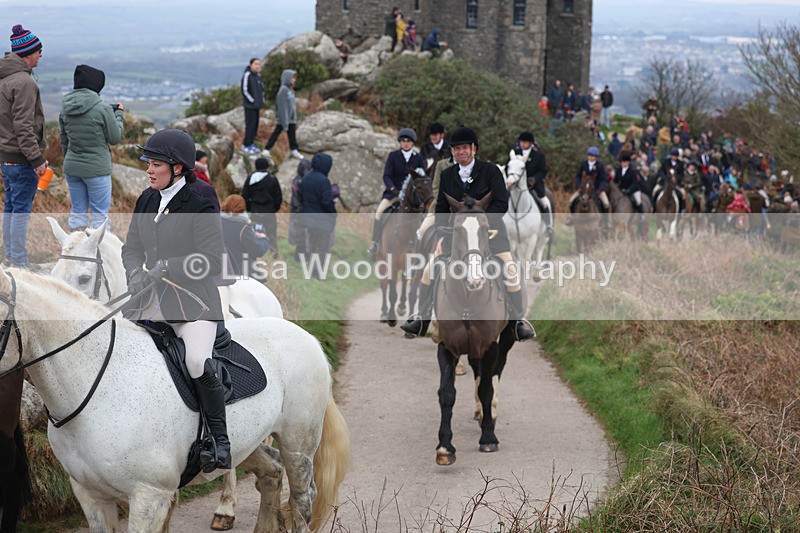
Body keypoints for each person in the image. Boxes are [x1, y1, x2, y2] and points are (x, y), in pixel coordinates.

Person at [121, 128, 229, 472]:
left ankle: (219, 441)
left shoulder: (201, 198)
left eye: (155, 164)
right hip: (150, 300)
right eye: (148, 164)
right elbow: (131, 248)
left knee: (196, 361)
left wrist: (169, 266)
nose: (149, 170)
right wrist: (134, 273)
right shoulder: (147, 198)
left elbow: (212, 259)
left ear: (177, 168)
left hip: (193, 302)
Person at [400, 126, 535, 342]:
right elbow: (441, 209)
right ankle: (422, 318)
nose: (461, 152)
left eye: (465, 148)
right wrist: (442, 236)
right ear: (452, 152)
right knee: (428, 270)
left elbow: (501, 203)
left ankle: (516, 323)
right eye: (457, 149)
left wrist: (483, 223)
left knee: (510, 271)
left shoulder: (491, 171)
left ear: (474, 149)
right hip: (457, 236)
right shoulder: (447, 175)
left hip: (490, 233)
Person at [0, 25, 46, 268]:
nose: (41, 55)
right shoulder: (24, 82)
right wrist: (37, 159)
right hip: (21, 159)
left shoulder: (5, 78)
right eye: (38, 51)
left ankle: (10, 256)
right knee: (20, 211)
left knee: (11, 207)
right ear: (28, 53)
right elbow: (24, 126)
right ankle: (18, 261)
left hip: (6, 156)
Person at [59, 64, 125, 231]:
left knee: (77, 212)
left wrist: (70, 160)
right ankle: (100, 247)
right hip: (97, 169)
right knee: (99, 216)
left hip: (72, 167)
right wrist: (119, 115)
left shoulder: (65, 107)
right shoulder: (103, 108)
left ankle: (75, 245)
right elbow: (115, 138)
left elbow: (64, 140)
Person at [368, 128, 425, 256]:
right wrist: (393, 189)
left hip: (412, 197)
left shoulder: (418, 158)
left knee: (423, 215)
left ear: (413, 143)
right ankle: (374, 242)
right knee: (379, 212)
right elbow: (386, 176)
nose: (405, 143)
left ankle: (421, 245)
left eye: (408, 141)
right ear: (400, 142)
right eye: (403, 141)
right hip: (394, 194)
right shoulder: (393, 156)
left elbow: (422, 177)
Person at [299, 152, 336, 279]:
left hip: (308, 219)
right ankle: (319, 275)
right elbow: (327, 202)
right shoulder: (324, 181)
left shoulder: (306, 178)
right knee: (321, 248)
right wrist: (333, 213)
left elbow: (301, 197)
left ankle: (311, 272)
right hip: (322, 220)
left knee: (312, 246)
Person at [511, 131, 552, 234]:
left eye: (525, 142)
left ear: (530, 143)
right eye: (521, 142)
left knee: (544, 202)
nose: (523, 144)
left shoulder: (538, 156)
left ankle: (548, 226)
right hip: (515, 185)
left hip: (533, 185)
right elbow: (509, 167)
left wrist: (534, 179)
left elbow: (543, 171)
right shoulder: (515, 152)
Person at [220, 194, 270, 277]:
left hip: (220, 271)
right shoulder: (243, 227)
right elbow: (257, 250)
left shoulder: (216, 223)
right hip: (241, 273)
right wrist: (264, 239)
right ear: (242, 209)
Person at [242, 157, 282, 259]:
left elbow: (245, 195)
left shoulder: (251, 178)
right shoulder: (272, 179)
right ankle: (274, 255)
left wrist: (249, 207)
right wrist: (274, 208)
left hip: (256, 210)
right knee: (271, 233)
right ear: (267, 166)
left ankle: (256, 254)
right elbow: (278, 197)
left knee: (256, 232)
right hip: (269, 211)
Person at [265, 69, 302, 160]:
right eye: (292, 78)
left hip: (291, 118)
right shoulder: (283, 90)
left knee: (292, 135)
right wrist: (285, 122)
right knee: (277, 133)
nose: (294, 80)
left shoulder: (290, 89)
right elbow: (282, 106)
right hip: (284, 118)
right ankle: (266, 149)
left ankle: (294, 150)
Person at [567, 146, 610, 221]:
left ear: (596, 157)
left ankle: (606, 222)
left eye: (592, 156)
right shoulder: (583, 164)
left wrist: (600, 189)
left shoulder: (600, 166)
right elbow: (578, 176)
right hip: (583, 189)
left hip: (597, 189)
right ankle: (572, 218)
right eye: (589, 155)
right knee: (571, 201)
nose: (590, 157)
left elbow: (604, 179)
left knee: (606, 204)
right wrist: (579, 186)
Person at [289, 158, 313, 260]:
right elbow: (296, 198)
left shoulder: (303, 180)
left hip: (303, 210)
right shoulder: (298, 181)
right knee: (300, 234)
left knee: (305, 234)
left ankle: (304, 254)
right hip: (299, 211)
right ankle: (299, 255)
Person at [240, 57, 264, 156]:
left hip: (256, 106)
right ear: (250, 65)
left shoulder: (258, 76)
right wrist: (252, 101)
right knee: (250, 125)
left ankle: (251, 143)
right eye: (255, 64)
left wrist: (261, 101)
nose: (258, 66)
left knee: (255, 125)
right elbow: (244, 90)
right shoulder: (247, 75)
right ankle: (246, 145)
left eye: (259, 64)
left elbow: (261, 90)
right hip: (250, 106)